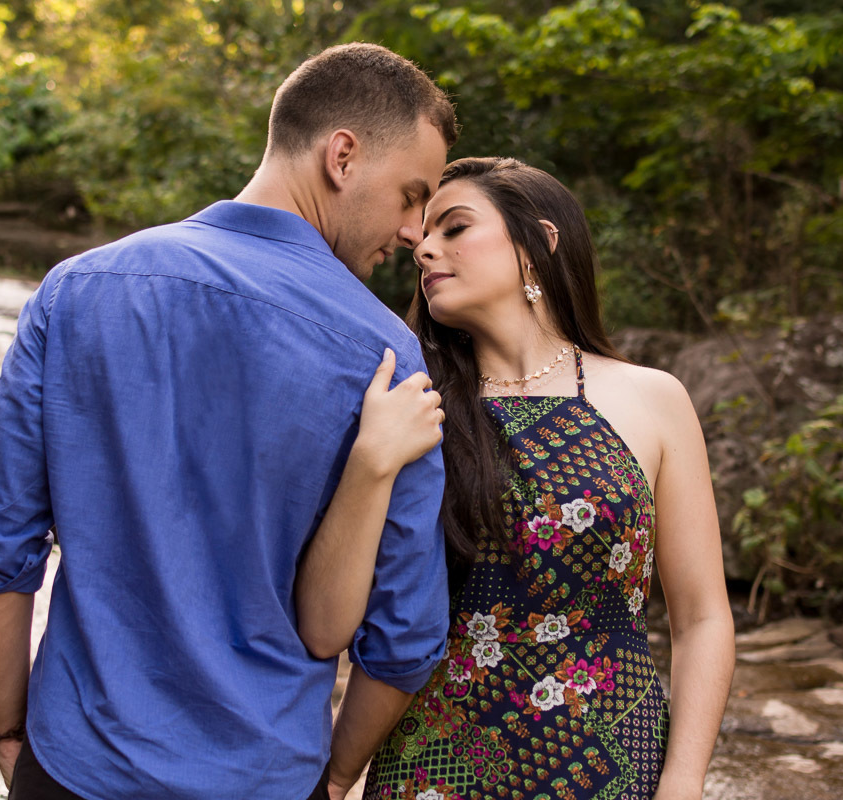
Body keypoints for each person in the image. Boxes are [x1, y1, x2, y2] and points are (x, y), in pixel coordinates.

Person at [0, 43, 459, 800]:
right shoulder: (390, 363)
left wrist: (10, 735)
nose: (416, 231)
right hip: (268, 777)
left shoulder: (77, 291)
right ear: (342, 157)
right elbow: (405, 635)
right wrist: (336, 776)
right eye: (412, 195)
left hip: (76, 764)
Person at [297, 157, 736, 800]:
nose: (422, 247)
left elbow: (701, 617)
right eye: (422, 233)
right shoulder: (411, 405)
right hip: (434, 761)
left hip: (611, 755)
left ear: (539, 242)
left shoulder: (653, 399)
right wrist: (370, 461)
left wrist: (684, 780)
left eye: (454, 228)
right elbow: (330, 623)